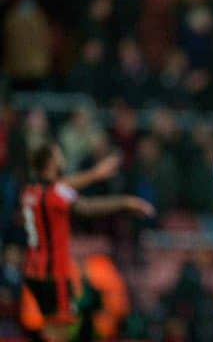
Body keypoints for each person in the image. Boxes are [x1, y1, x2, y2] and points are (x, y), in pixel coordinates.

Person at [19, 142, 154, 341]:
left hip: (34, 271)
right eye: (58, 155)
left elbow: (62, 186)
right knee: (61, 333)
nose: (61, 159)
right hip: (54, 274)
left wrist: (95, 174)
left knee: (48, 329)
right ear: (50, 163)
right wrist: (126, 202)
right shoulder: (56, 195)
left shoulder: (30, 192)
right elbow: (87, 207)